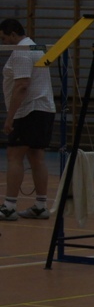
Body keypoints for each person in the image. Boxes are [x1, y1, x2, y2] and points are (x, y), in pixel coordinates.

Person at [1, 18, 55, 221]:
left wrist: (10, 118)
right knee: (35, 156)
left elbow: (22, 85)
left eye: (4, 38)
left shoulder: (22, 52)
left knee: (14, 155)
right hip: (43, 109)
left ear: (13, 34)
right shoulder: (35, 48)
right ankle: (41, 205)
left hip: (29, 111)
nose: (3, 42)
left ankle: (9, 207)